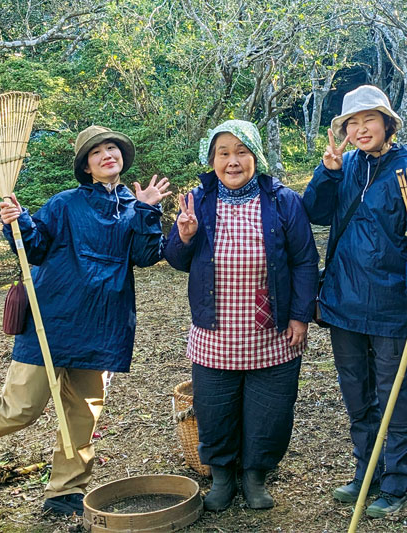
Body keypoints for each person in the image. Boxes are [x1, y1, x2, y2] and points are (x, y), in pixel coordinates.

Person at [0, 125, 171, 517]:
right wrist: (18, 219)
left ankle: (65, 491)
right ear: (87, 167)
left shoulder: (133, 205)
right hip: (52, 318)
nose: (108, 155)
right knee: (21, 407)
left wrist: (147, 209)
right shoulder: (65, 203)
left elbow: (145, 255)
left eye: (113, 148)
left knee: (82, 412)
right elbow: (35, 246)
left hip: (102, 324)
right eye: (97, 153)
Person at [164, 120, 318, 511]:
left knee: (270, 410)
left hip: (273, 329)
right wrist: (183, 236)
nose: (233, 162)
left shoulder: (283, 201)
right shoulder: (198, 200)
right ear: (211, 159)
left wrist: (300, 315)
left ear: (256, 156)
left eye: (241, 152)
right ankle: (222, 478)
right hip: (215, 329)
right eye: (224, 153)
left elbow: (304, 261)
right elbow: (177, 260)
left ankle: (255, 477)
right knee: (215, 409)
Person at [302, 85, 407, 518]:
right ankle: (367, 472)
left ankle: (395, 484)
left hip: (391, 304)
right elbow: (314, 212)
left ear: (387, 124)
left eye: (369, 120)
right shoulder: (348, 164)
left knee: (394, 395)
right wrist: (327, 171)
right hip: (343, 298)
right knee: (357, 393)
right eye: (352, 123)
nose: (360, 129)